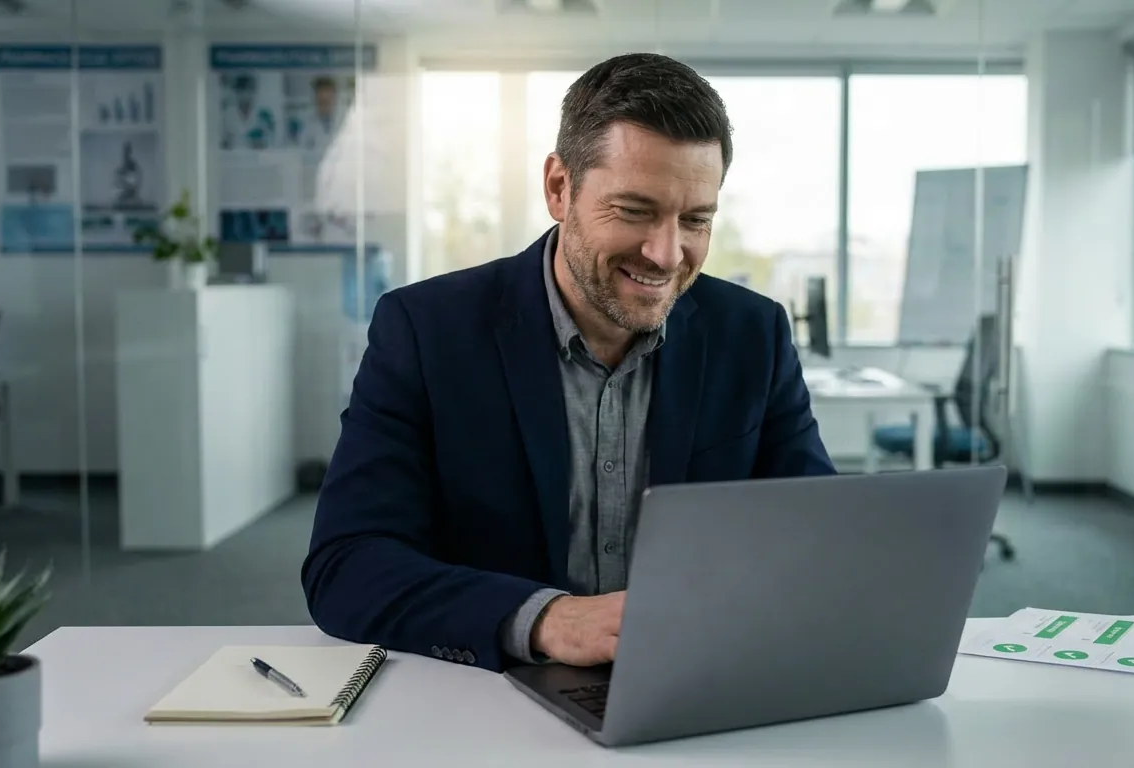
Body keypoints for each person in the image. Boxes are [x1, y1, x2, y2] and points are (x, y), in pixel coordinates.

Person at [302, 53, 834, 673]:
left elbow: (816, 537)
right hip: (491, 699)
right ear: (559, 188)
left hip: (696, 681)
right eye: (634, 211)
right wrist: (546, 618)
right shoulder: (427, 331)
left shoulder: (754, 334)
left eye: (695, 220)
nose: (666, 254)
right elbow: (347, 564)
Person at [220, 74, 276, 150]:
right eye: (243, 90)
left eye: (250, 90)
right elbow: (224, 143)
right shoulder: (228, 115)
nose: (246, 95)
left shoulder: (263, 115)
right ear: (237, 92)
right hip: (234, 158)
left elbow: (270, 141)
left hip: (257, 158)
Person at [297, 75, 340, 151]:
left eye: (327, 101)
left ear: (334, 98)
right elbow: (302, 154)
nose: (324, 105)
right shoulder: (307, 126)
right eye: (321, 101)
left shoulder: (344, 121)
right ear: (315, 99)